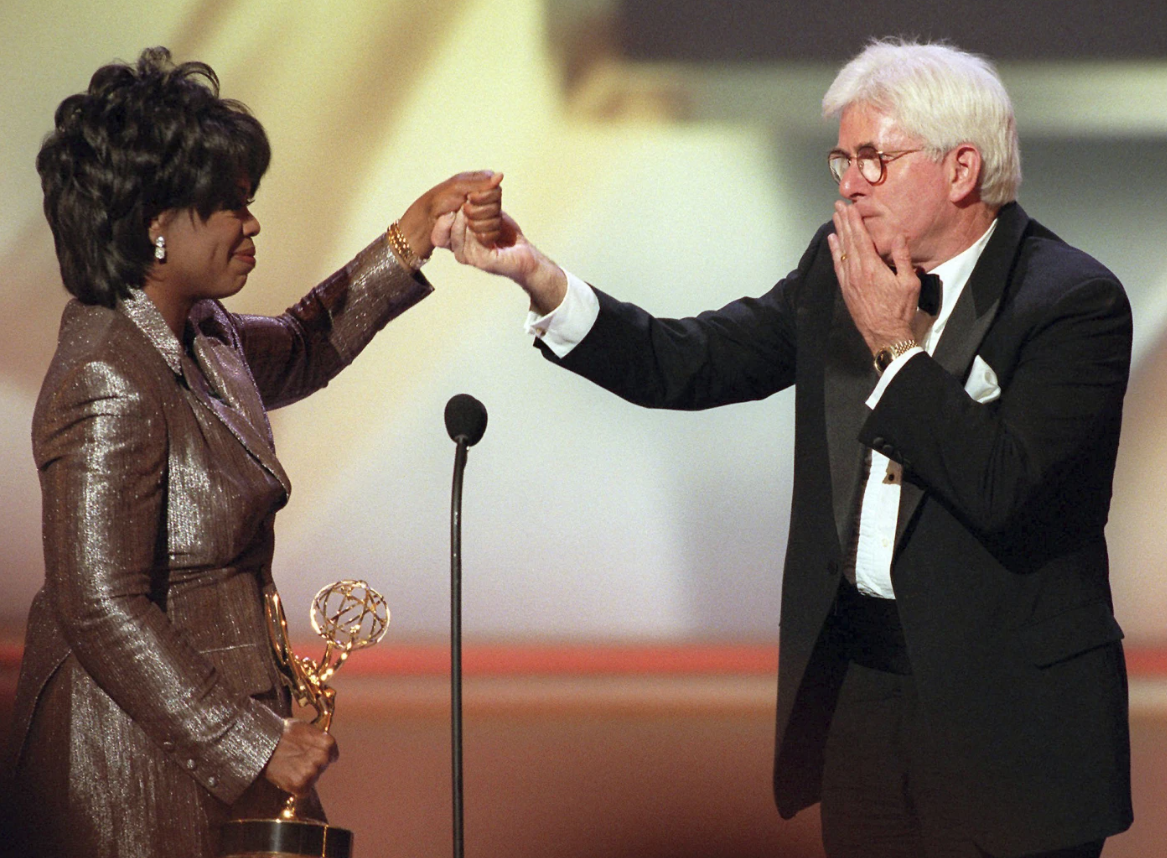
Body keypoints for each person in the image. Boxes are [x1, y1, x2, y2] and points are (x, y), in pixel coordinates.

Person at [445, 38, 1133, 858]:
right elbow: (687, 362)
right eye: (841, 159)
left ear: (960, 170)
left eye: (873, 159)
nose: (846, 183)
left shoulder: (1072, 302)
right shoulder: (835, 270)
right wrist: (539, 278)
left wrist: (893, 345)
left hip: (1007, 717)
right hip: (862, 695)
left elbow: (1003, 486)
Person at [2, 47, 502, 858]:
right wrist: (250, 740)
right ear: (153, 225)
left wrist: (416, 233)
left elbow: (304, 344)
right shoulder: (105, 373)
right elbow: (96, 601)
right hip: (131, 761)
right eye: (229, 204)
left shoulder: (197, 332)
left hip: (213, 733)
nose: (252, 221)